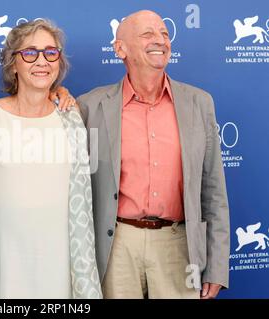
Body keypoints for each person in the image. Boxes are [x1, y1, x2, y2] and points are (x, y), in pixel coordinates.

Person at [76, 10, 230, 299]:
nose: (160, 40)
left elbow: (214, 192)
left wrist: (217, 266)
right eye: (147, 34)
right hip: (116, 245)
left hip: (179, 246)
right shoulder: (90, 106)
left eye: (164, 34)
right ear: (120, 49)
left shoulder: (199, 103)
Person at [0, 19, 102, 298]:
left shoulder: (72, 117)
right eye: (30, 53)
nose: (42, 61)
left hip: (59, 257)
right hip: (3, 255)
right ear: (13, 64)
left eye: (51, 53)